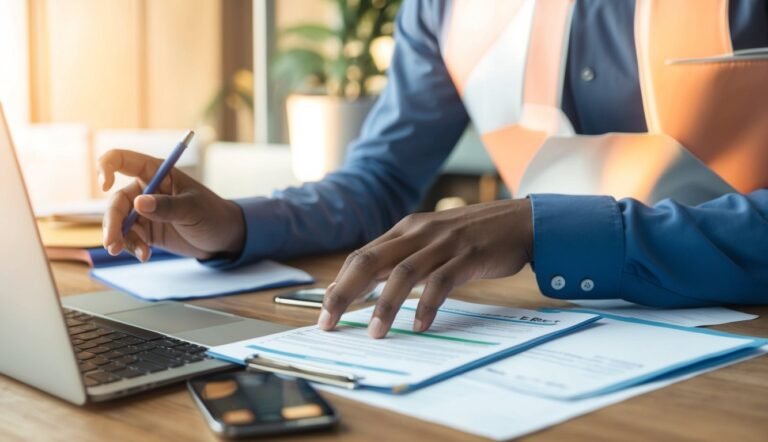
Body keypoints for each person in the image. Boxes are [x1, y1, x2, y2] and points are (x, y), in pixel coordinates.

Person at [99, 0, 768, 340]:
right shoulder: (441, 8)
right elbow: (380, 183)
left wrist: (542, 228)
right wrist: (236, 224)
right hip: (543, 336)